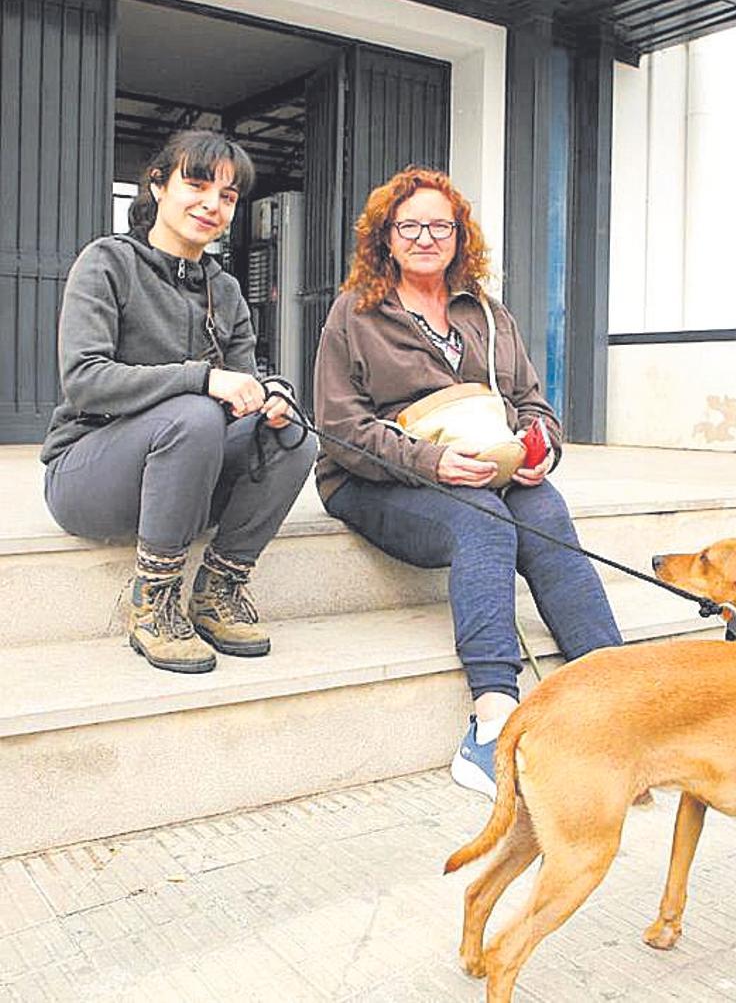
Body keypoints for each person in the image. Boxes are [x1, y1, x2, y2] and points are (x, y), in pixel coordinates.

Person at [313, 167, 623, 798]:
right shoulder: (355, 314)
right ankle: (492, 718)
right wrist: (432, 463)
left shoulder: (487, 312)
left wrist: (539, 449)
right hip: (374, 479)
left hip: (486, 470)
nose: (426, 238)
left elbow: (534, 403)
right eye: (410, 227)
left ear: (459, 237)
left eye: (440, 226)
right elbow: (339, 428)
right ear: (386, 238)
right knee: (481, 514)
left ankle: (611, 686)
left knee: (542, 505)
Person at [41, 130, 317, 674]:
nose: (212, 204)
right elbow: (85, 379)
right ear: (159, 185)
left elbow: (240, 385)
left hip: (186, 471)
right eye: (196, 184)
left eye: (228, 195)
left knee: (293, 435)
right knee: (193, 412)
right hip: (88, 473)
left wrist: (270, 396)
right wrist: (200, 379)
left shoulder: (226, 290)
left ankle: (218, 589)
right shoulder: (106, 263)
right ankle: (155, 603)